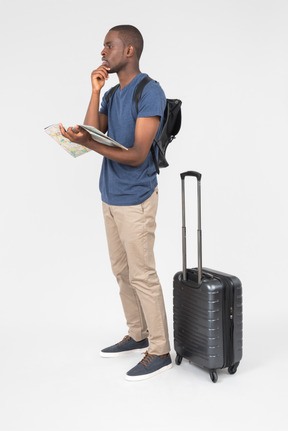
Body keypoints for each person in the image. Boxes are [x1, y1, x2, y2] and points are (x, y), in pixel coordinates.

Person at [60, 25, 171, 381]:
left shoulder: (149, 91)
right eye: (103, 46)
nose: (103, 52)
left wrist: (89, 144)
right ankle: (137, 334)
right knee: (122, 273)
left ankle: (160, 350)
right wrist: (94, 93)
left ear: (129, 51)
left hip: (136, 197)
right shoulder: (111, 94)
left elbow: (138, 154)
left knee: (143, 275)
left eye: (109, 46)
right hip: (110, 195)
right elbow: (90, 134)